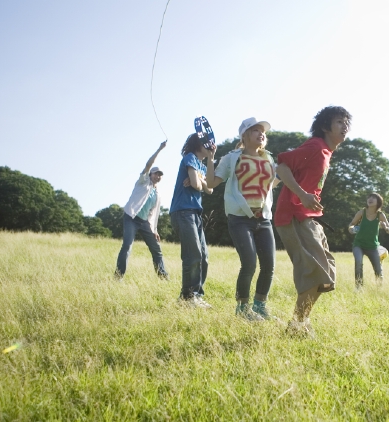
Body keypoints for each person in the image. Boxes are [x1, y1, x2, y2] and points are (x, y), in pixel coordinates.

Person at [274, 106, 351, 336]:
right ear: (326, 126)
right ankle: (297, 326)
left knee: (327, 273)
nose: (345, 126)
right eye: (339, 121)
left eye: (347, 122)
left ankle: (301, 322)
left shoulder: (327, 152)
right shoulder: (315, 147)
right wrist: (301, 195)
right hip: (294, 216)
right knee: (315, 272)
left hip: (310, 218)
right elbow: (282, 167)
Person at [205, 117, 279, 321]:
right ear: (244, 136)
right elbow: (211, 182)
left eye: (262, 131)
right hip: (240, 218)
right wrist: (211, 158)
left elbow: (271, 184)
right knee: (249, 263)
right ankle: (242, 309)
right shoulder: (231, 158)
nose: (261, 133)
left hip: (263, 219)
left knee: (269, 265)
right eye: (255, 130)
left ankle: (260, 306)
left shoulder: (269, 159)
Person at [170, 133, 214, 308]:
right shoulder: (190, 158)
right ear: (199, 145)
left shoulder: (202, 165)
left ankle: (196, 296)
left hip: (194, 212)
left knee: (203, 256)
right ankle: (188, 297)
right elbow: (196, 185)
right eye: (207, 144)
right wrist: (199, 182)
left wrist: (202, 175)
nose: (210, 147)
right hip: (182, 211)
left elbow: (209, 189)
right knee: (193, 254)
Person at [114, 141, 169, 281]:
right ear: (150, 174)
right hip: (131, 218)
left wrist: (155, 230)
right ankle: (118, 276)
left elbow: (154, 214)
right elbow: (148, 165)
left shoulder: (157, 194)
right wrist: (159, 149)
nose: (158, 176)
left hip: (144, 223)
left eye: (160, 175)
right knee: (127, 246)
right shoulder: (143, 182)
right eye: (156, 174)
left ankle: (162, 276)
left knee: (156, 249)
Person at [347, 193, 389, 289]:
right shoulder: (361, 212)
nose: (370, 199)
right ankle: (359, 288)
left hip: (372, 247)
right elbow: (352, 223)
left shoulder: (380, 215)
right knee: (358, 262)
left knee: (378, 270)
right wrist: (351, 228)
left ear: (378, 202)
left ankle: (379, 289)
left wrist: (385, 227)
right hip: (358, 244)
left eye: (374, 198)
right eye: (369, 197)